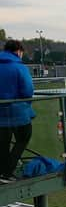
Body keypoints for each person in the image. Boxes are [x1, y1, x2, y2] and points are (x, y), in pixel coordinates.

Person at [0, 40, 35, 183]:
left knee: (2, 144)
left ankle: (3, 172)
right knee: (23, 138)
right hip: (17, 113)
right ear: (18, 51)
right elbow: (28, 91)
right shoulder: (19, 67)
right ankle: (7, 173)